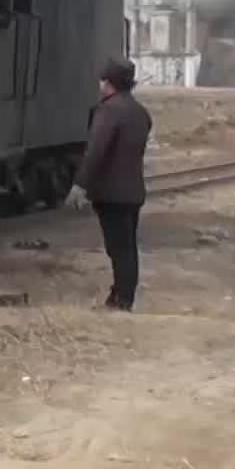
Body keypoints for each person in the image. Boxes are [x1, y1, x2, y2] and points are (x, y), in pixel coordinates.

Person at [64, 57, 152, 310]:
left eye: (102, 80)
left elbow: (96, 150)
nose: (100, 84)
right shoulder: (140, 112)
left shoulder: (109, 110)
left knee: (118, 248)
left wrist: (80, 185)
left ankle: (121, 300)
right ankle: (121, 295)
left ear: (109, 82)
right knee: (127, 247)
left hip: (112, 193)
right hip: (133, 191)